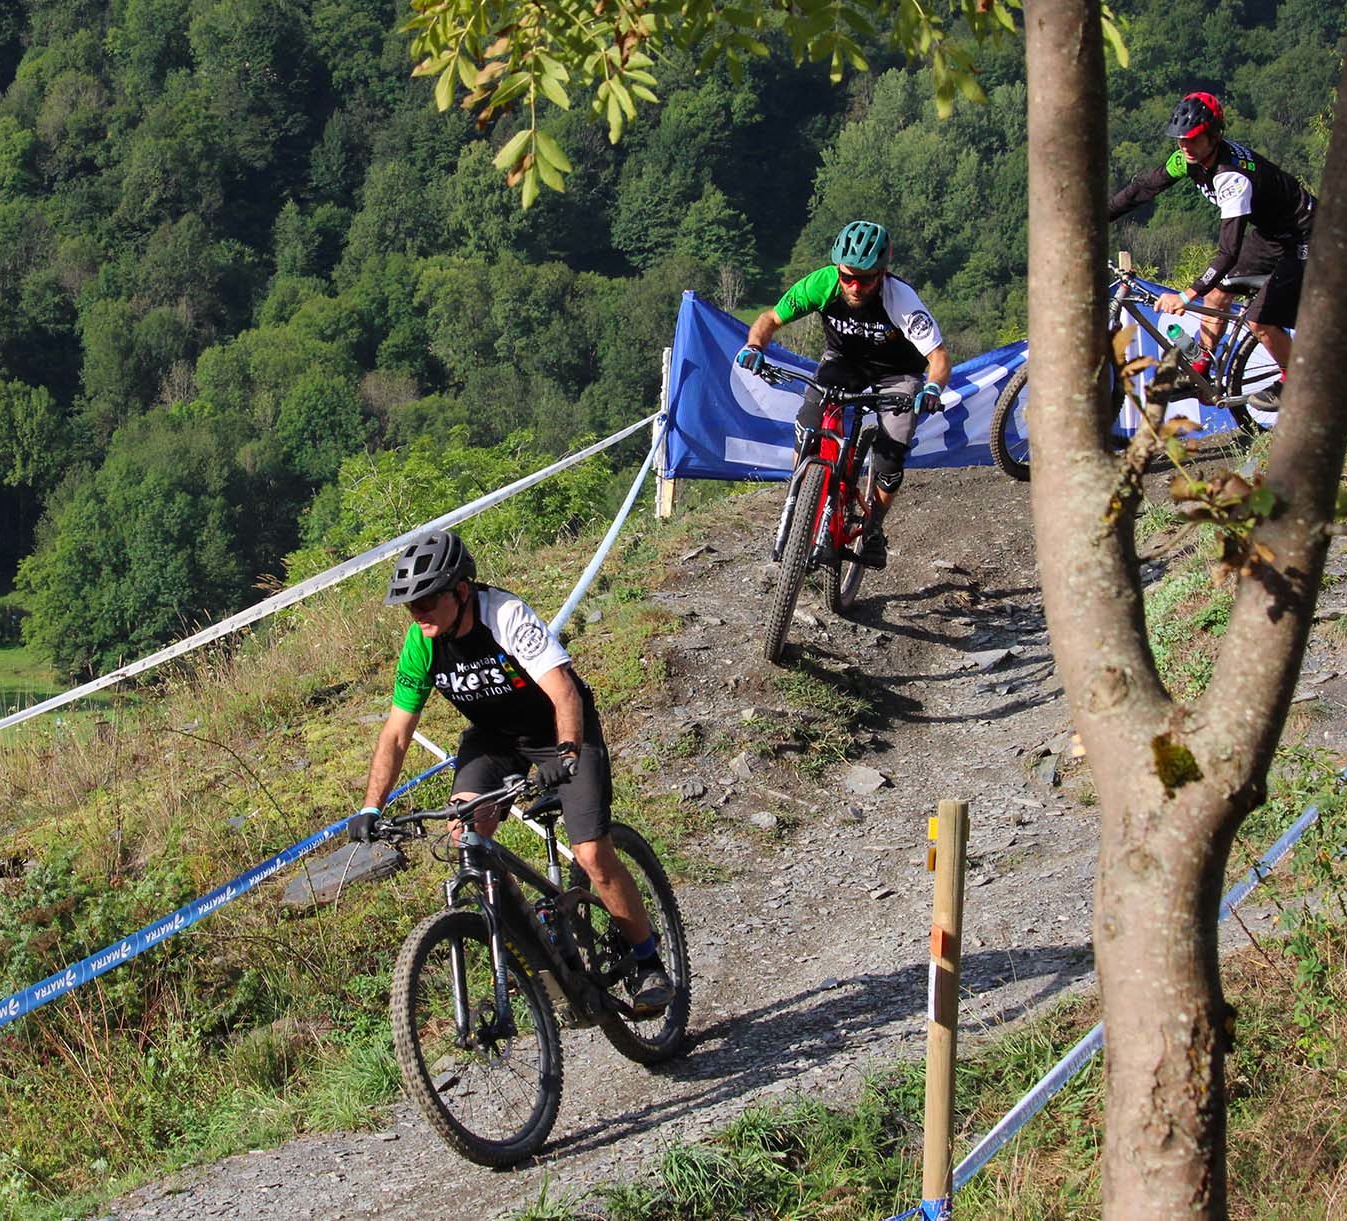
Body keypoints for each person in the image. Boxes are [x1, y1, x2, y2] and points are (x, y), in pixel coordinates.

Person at [345, 530, 673, 1014]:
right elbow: (396, 733)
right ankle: (533, 945)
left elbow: (563, 691)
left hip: (558, 731)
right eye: (410, 606)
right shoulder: (421, 643)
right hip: (495, 740)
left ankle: (648, 963)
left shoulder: (504, 615)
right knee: (464, 835)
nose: (417, 614)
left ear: (460, 592)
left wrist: (566, 755)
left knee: (591, 852)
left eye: (427, 601)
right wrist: (373, 805)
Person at [734, 219, 950, 570]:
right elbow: (770, 319)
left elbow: (938, 357)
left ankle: (874, 529)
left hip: (897, 373)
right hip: (845, 360)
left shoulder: (903, 300)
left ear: (882, 272)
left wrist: (931, 387)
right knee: (807, 421)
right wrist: (754, 346)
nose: (853, 286)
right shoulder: (821, 284)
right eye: (847, 276)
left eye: (864, 279)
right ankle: (802, 496)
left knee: (891, 455)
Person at [1107, 91, 1316, 410]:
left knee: (1261, 320)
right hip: (1273, 233)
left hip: (1308, 235)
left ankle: (1296, 379)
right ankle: (1201, 362)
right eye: (1180, 140)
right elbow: (1143, 188)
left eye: (1193, 139)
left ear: (1214, 136)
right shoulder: (1186, 159)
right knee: (1218, 292)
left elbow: (1228, 251)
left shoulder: (1231, 177)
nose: (1184, 147)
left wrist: (1186, 296)